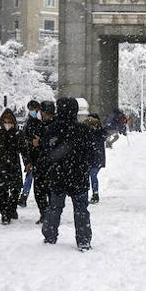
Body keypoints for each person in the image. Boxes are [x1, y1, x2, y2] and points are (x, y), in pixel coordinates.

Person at [39, 97, 98, 251]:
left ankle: (50, 235)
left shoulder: (51, 130)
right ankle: (84, 240)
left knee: (54, 207)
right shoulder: (84, 131)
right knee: (81, 210)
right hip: (78, 176)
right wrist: (83, 165)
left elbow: (45, 153)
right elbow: (92, 154)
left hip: (58, 175)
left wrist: (52, 167)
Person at [0, 109, 27, 224]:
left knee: (16, 190)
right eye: (5, 121)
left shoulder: (18, 134)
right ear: (1, 122)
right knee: (3, 193)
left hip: (14, 166)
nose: (7, 124)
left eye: (9, 121)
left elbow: (24, 151)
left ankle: (12, 209)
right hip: (1, 166)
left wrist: (27, 163)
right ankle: (4, 214)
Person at [18, 100, 43, 207]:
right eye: (31, 109)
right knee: (30, 175)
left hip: (37, 153)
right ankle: (24, 196)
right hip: (33, 153)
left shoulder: (36, 122)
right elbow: (26, 139)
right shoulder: (30, 122)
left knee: (32, 176)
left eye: (34, 109)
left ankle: (24, 196)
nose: (33, 111)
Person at [84, 113, 106, 202]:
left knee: (93, 175)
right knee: (88, 176)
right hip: (90, 158)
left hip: (96, 158)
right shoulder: (86, 130)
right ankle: (86, 194)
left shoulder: (99, 131)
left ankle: (95, 194)